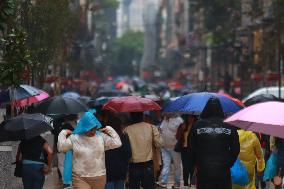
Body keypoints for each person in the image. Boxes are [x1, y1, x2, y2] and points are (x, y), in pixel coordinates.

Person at [57, 111, 122, 189]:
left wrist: (109, 129)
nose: (93, 131)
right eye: (90, 129)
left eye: (94, 128)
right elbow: (61, 148)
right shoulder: (74, 138)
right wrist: (63, 133)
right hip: (79, 177)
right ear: (84, 127)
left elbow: (117, 143)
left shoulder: (101, 137)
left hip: (99, 176)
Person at [189, 98, 240, 189]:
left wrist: (196, 163)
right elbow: (235, 149)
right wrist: (228, 162)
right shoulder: (229, 126)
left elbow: (191, 148)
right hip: (223, 168)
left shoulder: (197, 125)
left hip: (204, 168)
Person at [124, 112, 163, 189]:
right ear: (142, 117)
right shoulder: (151, 127)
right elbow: (159, 143)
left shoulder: (127, 129)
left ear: (131, 118)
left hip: (133, 165)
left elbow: (125, 148)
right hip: (148, 165)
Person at [157, 114, 183, 188]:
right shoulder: (164, 119)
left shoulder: (179, 120)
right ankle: (163, 182)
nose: (165, 112)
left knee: (177, 165)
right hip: (164, 147)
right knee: (166, 165)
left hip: (175, 147)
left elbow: (181, 133)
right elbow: (161, 131)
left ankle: (177, 183)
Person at [105, 116, 132, 189]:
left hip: (108, 170)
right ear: (120, 125)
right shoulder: (124, 136)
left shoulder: (104, 138)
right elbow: (128, 153)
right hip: (121, 169)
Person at [176, 115, 197, 189]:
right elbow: (177, 137)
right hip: (184, 149)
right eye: (189, 117)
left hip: (193, 150)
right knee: (185, 167)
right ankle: (185, 183)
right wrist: (182, 130)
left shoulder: (197, 126)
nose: (190, 119)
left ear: (194, 118)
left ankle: (192, 183)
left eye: (192, 117)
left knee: (192, 167)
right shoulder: (183, 125)